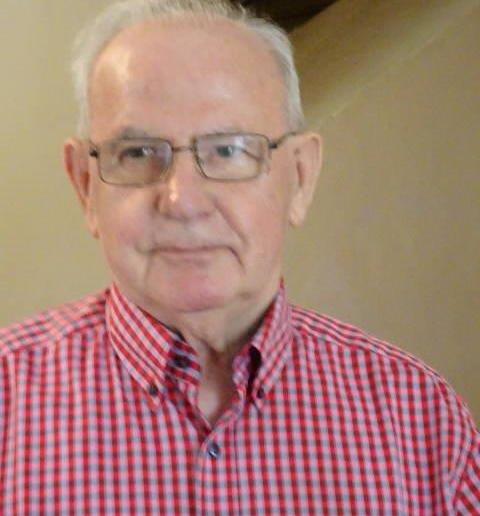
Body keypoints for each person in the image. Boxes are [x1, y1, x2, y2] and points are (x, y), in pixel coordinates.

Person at [0, 0, 478, 513]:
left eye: (228, 150)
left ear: (300, 177)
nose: (183, 201)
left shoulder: (423, 421)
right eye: (137, 154)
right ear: (85, 185)